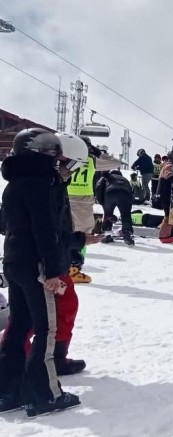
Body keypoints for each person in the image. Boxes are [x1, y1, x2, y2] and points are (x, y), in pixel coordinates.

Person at [0, 128, 83, 416]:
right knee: (46, 328)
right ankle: (44, 394)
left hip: (15, 260)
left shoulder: (14, 183)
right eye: (54, 157)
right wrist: (52, 270)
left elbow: (6, 225)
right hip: (37, 265)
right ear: (42, 155)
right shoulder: (42, 183)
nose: (59, 164)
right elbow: (44, 230)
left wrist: (74, 241)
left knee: (20, 323)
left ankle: (8, 390)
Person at [66, 136, 121, 283]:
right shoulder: (91, 160)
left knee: (65, 233)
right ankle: (75, 268)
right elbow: (116, 162)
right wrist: (98, 152)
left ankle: (65, 266)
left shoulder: (65, 158)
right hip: (83, 202)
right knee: (83, 235)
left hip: (65, 199)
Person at [95, 169, 135, 246]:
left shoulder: (106, 177)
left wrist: (102, 202)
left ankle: (107, 235)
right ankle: (127, 234)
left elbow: (98, 187)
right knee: (126, 215)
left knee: (108, 215)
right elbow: (131, 192)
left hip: (110, 193)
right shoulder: (124, 179)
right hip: (125, 194)